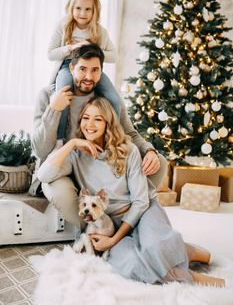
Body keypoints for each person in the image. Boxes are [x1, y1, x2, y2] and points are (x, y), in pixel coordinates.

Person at [37, 97, 230, 287]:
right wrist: (71, 144)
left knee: (154, 248)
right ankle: (186, 260)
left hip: (143, 211)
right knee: (132, 264)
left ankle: (202, 267)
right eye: (86, 117)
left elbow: (140, 201)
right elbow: (44, 175)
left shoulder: (128, 150)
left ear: (108, 123)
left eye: (98, 119)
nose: (90, 124)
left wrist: (113, 239)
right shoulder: (75, 155)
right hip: (110, 223)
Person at [30, 43, 167, 229]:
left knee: (159, 163)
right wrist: (54, 109)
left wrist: (149, 150)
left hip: (95, 164)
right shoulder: (47, 96)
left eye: (95, 70)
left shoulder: (107, 99)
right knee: (60, 193)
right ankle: (96, 230)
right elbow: (40, 149)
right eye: (82, 69)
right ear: (71, 68)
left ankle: (128, 214)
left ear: (101, 71)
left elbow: (129, 133)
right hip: (62, 163)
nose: (88, 77)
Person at [48, 0, 119, 144]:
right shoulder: (63, 26)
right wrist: (71, 48)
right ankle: (60, 140)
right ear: (71, 7)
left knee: (114, 98)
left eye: (88, 9)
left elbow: (114, 57)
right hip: (68, 66)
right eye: (78, 8)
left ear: (95, 11)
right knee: (63, 95)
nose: (82, 13)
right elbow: (50, 54)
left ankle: (113, 138)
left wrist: (94, 49)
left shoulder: (100, 31)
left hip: (93, 69)